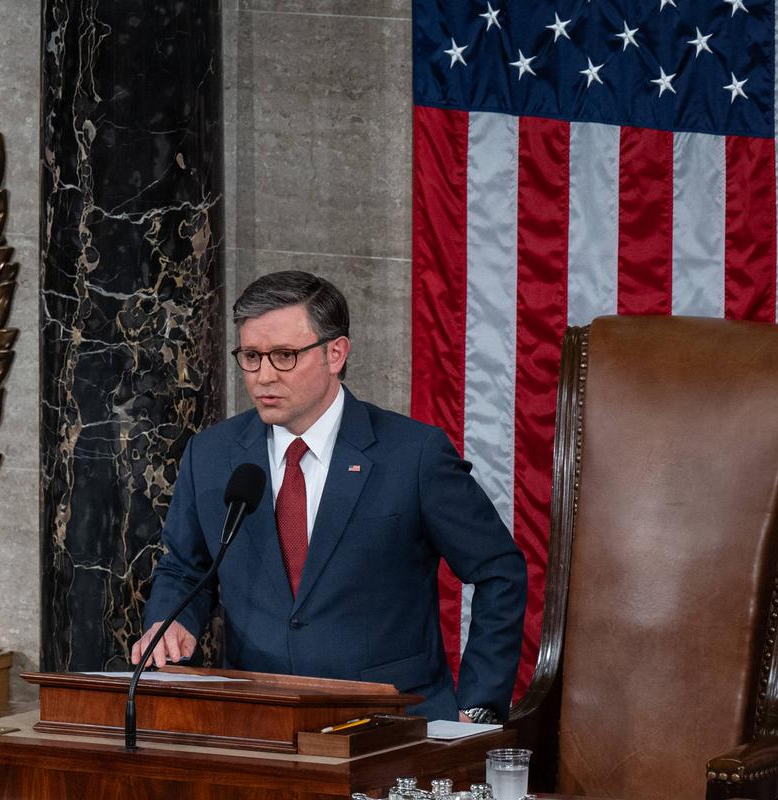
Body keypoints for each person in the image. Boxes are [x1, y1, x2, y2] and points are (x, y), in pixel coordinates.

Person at [132, 270, 527, 721]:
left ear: (335, 352)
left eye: (283, 356)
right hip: (258, 717)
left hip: (392, 721)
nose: (263, 376)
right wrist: (170, 620)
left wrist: (477, 708)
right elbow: (184, 568)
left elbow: (500, 572)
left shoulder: (413, 455)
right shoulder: (213, 454)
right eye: (251, 356)